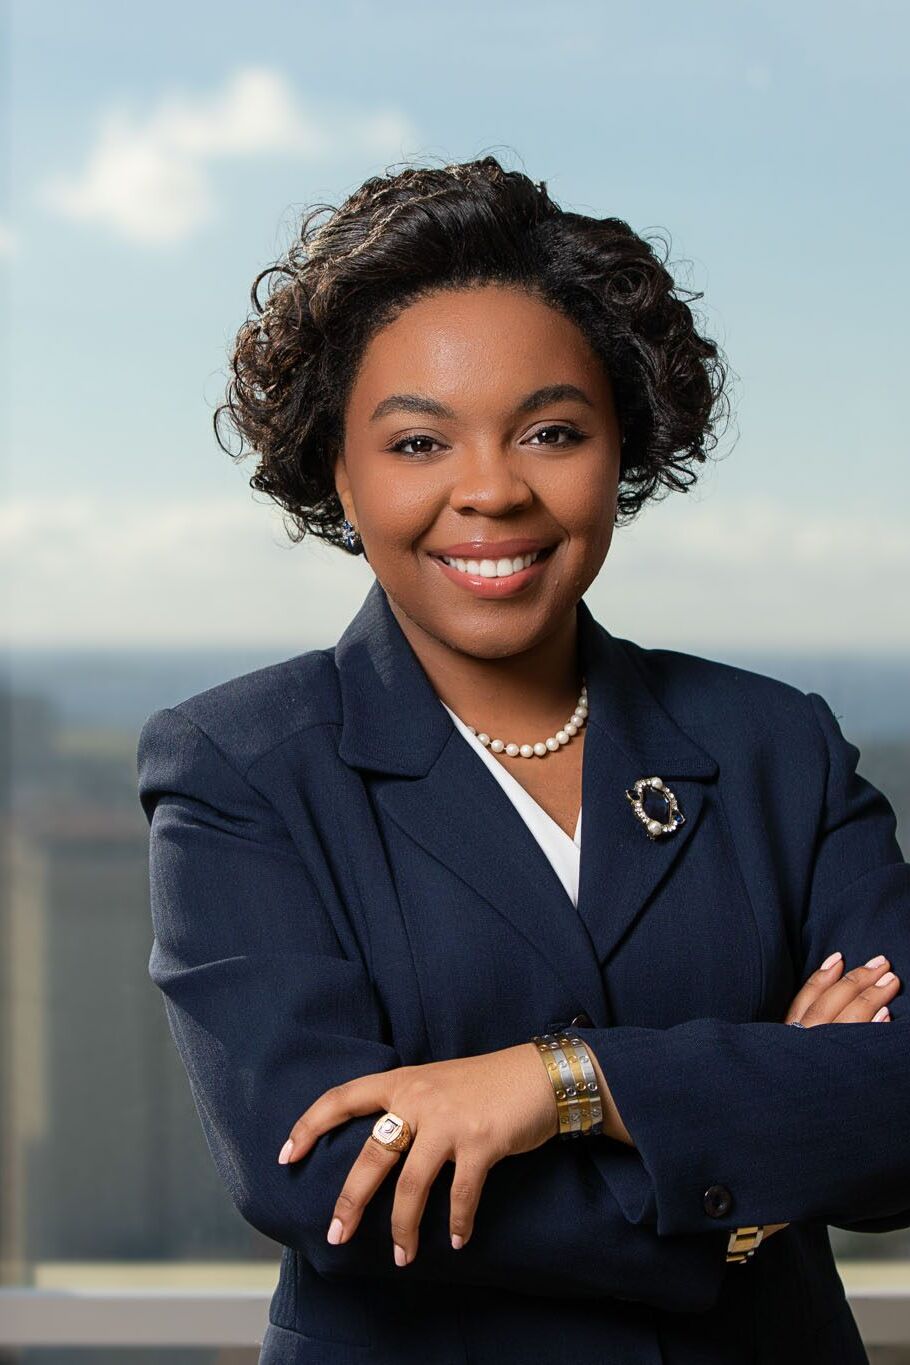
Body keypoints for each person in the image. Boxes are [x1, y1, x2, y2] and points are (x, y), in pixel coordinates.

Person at [136, 156, 909, 1364]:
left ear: (624, 450)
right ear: (337, 472)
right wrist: (745, 1181)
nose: (490, 491)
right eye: (417, 444)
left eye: (550, 432)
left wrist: (563, 1084)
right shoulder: (238, 768)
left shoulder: (773, 746)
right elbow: (325, 1180)